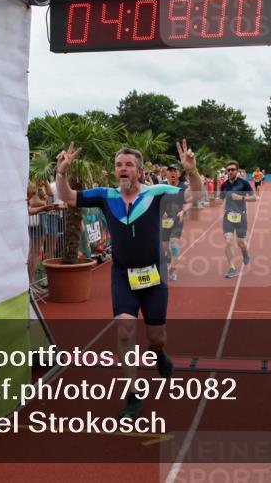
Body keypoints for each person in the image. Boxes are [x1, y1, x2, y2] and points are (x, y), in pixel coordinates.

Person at [55, 140, 203, 417]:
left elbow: (195, 197)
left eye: (128, 165)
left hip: (153, 276)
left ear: (139, 170)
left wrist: (192, 172)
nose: (122, 169)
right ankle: (133, 394)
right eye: (119, 165)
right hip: (122, 275)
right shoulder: (105, 195)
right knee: (124, 331)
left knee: (156, 336)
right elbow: (69, 197)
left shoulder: (156, 193)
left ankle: (158, 353)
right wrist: (61, 172)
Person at [220, 160, 256, 278]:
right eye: (228, 170)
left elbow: (254, 198)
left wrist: (241, 198)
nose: (230, 171)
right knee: (229, 240)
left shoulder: (244, 183)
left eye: (232, 169)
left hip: (241, 216)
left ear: (237, 171)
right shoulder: (224, 185)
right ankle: (232, 267)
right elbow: (220, 200)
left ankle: (245, 252)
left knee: (241, 242)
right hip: (228, 216)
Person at [159, 164, 189, 282]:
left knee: (175, 243)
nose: (172, 173)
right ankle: (171, 257)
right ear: (166, 173)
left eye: (175, 171)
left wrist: (183, 211)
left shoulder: (184, 187)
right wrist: (161, 212)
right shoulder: (161, 187)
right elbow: (156, 200)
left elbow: (190, 202)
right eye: (170, 171)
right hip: (164, 220)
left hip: (177, 218)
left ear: (179, 174)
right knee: (165, 246)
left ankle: (172, 270)